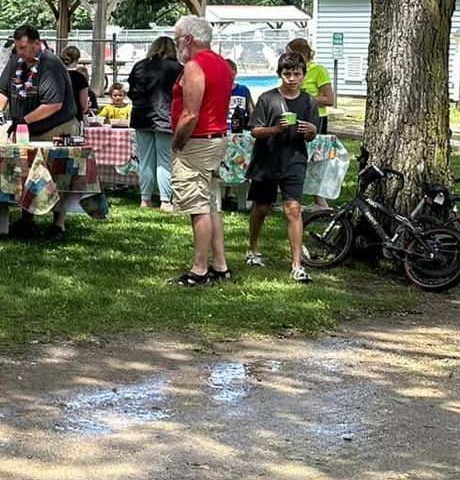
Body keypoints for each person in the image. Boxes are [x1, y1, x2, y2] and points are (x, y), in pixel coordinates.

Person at [168, 14, 235, 287]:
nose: (176, 46)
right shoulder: (221, 64)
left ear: (188, 39)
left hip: (197, 141)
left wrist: (176, 143)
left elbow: (190, 114)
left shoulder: (195, 66)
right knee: (211, 204)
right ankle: (220, 265)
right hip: (215, 138)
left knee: (197, 206)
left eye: (177, 40)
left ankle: (199, 269)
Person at [245, 55, 320, 282]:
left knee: (294, 210)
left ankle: (297, 264)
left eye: (297, 74)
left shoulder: (308, 102)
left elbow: (311, 135)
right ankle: (253, 248)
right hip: (267, 160)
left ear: (303, 75)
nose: (292, 79)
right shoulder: (268, 99)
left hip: (294, 160)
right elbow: (255, 130)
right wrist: (275, 129)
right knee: (262, 208)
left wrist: (311, 130)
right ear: (280, 74)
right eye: (288, 74)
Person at [0, 26, 80, 140]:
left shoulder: (51, 64)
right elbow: (2, 91)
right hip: (24, 130)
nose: (19, 52)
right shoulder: (15, 62)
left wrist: (24, 120)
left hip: (54, 129)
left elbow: (53, 105)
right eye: (17, 47)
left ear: (37, 43)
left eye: (23, 48)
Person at [127, 36, 183, 209]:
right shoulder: (178, 68)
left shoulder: (140, 66)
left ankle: (145, 199)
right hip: (166, 117)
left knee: (145, 160)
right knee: (165, 160)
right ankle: (166, 200)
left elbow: (131, 91)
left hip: (142, 116)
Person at [284, 38, 335, 133]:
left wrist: (303, 99)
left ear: (301, 54)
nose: (287, 57)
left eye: (289, 54)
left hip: (316, 117)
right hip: (295, 116)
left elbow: (329, 100)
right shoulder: (289, 71)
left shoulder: (318, 70)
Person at [61, 45, 93, 118]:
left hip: (56, 118)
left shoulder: (56, 75)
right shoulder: (80, 78)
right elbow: (84, 107)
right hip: (74, 117)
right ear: (77, 59)